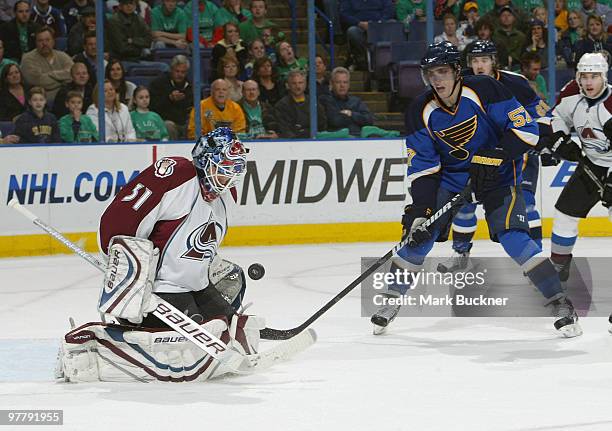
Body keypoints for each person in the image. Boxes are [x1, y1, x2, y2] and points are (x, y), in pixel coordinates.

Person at [370, 41, 581, 338]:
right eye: (431, 73)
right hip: (451, 180)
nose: (437, 80)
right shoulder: (420, 110)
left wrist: (493, 156)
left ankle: (560, 302)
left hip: (499, 175)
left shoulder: (486, 90)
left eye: (443, 71)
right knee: (417, 237)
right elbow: (424, 169)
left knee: (514, 238)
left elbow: (526, 131)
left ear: (457, 70)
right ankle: (391, 300)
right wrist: (420, 211)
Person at [72, 127, 263, 381]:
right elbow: (117, 221)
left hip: (195, 287)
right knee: (198, 339)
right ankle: (100, 343)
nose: (231, 174)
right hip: (159, 290)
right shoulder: (179, 176)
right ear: (205, 161)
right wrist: (128, 273)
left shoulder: (225, 197)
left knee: (228, 317)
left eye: (236, 168)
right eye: (225, 166)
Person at [438, 40, 551, 273]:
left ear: (494, 61)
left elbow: (542, 114)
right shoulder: (462, 82)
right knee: (464, 205)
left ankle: (538, 261)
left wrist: (545, 141)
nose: (479, 66)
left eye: (484, 60)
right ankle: (460, 255)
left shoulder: (515, 82)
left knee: (526, 205)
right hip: (479, 154)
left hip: (516, 153)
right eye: (475, 61)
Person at [537, 53, 612, 294]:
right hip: (590, 164)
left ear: (604, 77)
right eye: (584, 76)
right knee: (565, 215)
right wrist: (560, 139)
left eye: (594, 77)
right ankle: (559, 266)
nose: (588, 82)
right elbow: (557, 117)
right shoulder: (572, 96)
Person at [20, 26, 73, 102]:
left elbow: (72, 74)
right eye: (40, 41)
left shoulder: (63, 56)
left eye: (47, 40)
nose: (44, 43)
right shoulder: (28, 59)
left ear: (53, 41)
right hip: (42, 102)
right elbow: (38, 81)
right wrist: (62, 81)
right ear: (36, 43)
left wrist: (51, 74)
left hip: (66, 99)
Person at [339, 0, 395, 70]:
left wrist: (379, 22)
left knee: (393, 24)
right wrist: (359, 23)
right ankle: (363, 59)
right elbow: (344, 14)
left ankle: (385, 56)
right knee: (352, 31)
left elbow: (389, 9)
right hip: (360, 27)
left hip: (380, 26)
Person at [149, 54, 194, 140]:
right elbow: (152, 106)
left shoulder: (190, 86)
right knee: (168, 126)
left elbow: (193, 107)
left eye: (183, 72)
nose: (180, 74)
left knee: (194, 125)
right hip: (165, 120)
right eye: (177, 71)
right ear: (171, 70)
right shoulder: (158, 83)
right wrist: (169, 98)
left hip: (184, 122)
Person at [319, 66, 374, 136]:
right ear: (331, 84)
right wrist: (358, 119)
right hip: (336, 140)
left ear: (349, 84)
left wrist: (351, 114)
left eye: (345, 82)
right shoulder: (325, 99)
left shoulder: (356, 101)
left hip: (358, 139)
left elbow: (369, 120)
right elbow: (335, 121)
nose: (342, 85)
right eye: (338, 82)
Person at [274, 70, 327, 139]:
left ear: (305, 84)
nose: (297, 86)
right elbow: (285, 130)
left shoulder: (314, 102)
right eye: (294, 83)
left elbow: (322, 125)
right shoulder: (281, 105)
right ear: (288, 85)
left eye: (300, 83)